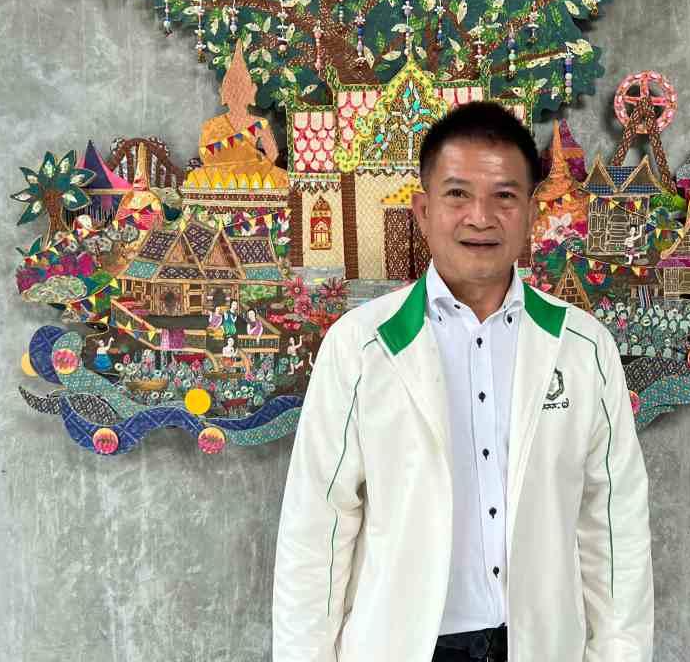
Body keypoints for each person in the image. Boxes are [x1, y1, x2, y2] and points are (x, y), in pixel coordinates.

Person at [272, 101, 653, 662]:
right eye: (457, 194)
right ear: (423, 211)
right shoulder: (360, 347)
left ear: (530, 213)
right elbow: (317, 528)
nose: (481, 217)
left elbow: (615, 526)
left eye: (504, 196)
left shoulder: (583, 347)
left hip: (540, 644)